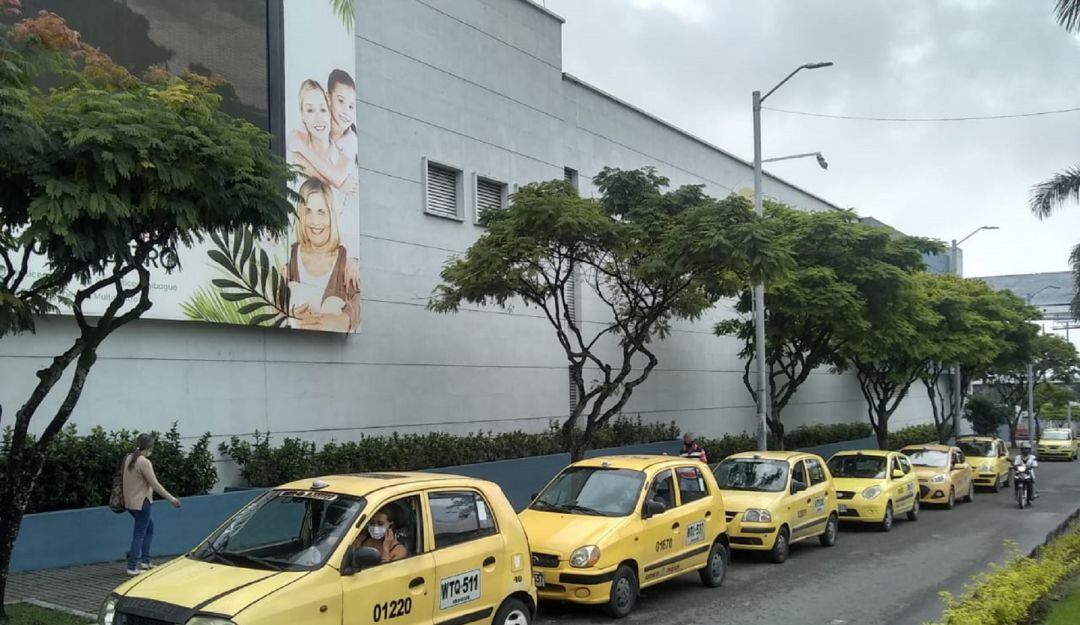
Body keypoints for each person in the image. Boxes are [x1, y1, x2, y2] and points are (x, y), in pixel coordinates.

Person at [285, 178, 361, 332]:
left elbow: (360, 300)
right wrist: (288, 315)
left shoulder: (346, 263)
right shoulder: (291, 255)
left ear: (330, 215)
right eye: (308, 212)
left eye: (321, 212)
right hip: (293, 345)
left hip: (335, 350)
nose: (315, 222)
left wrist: (342, 320)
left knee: (333, 303)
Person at [122, 434, 180, 575]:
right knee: (140, 534)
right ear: (148, 447)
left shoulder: (128, 458)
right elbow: (154, 484)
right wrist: (171, 499)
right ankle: (132, 567)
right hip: (143, 503)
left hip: (129, 503)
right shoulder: (144, 462)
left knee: (148, 528)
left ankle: (145, 561)